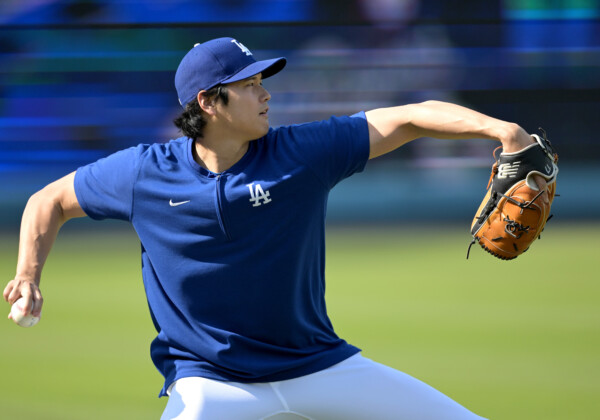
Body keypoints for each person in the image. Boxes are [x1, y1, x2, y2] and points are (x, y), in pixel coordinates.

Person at [4, 37, 548, 420]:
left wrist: (503, 130)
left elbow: (407, 117)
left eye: (264, 80)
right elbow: (47, 199)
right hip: (208, 383)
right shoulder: (144, 172)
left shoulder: (302, 152)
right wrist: (28, 272)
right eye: (250, 83)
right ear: (208, 102)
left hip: (320, 366)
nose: (266, 92)